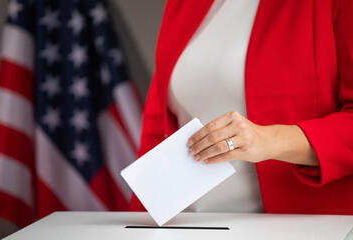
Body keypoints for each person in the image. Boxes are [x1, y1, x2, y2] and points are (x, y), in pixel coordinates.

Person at [130, 0, 353, 214]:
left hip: (301, 224)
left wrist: (270, 139)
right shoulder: (181, 4)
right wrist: (138, 221)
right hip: (187, 225)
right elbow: (159, 120)